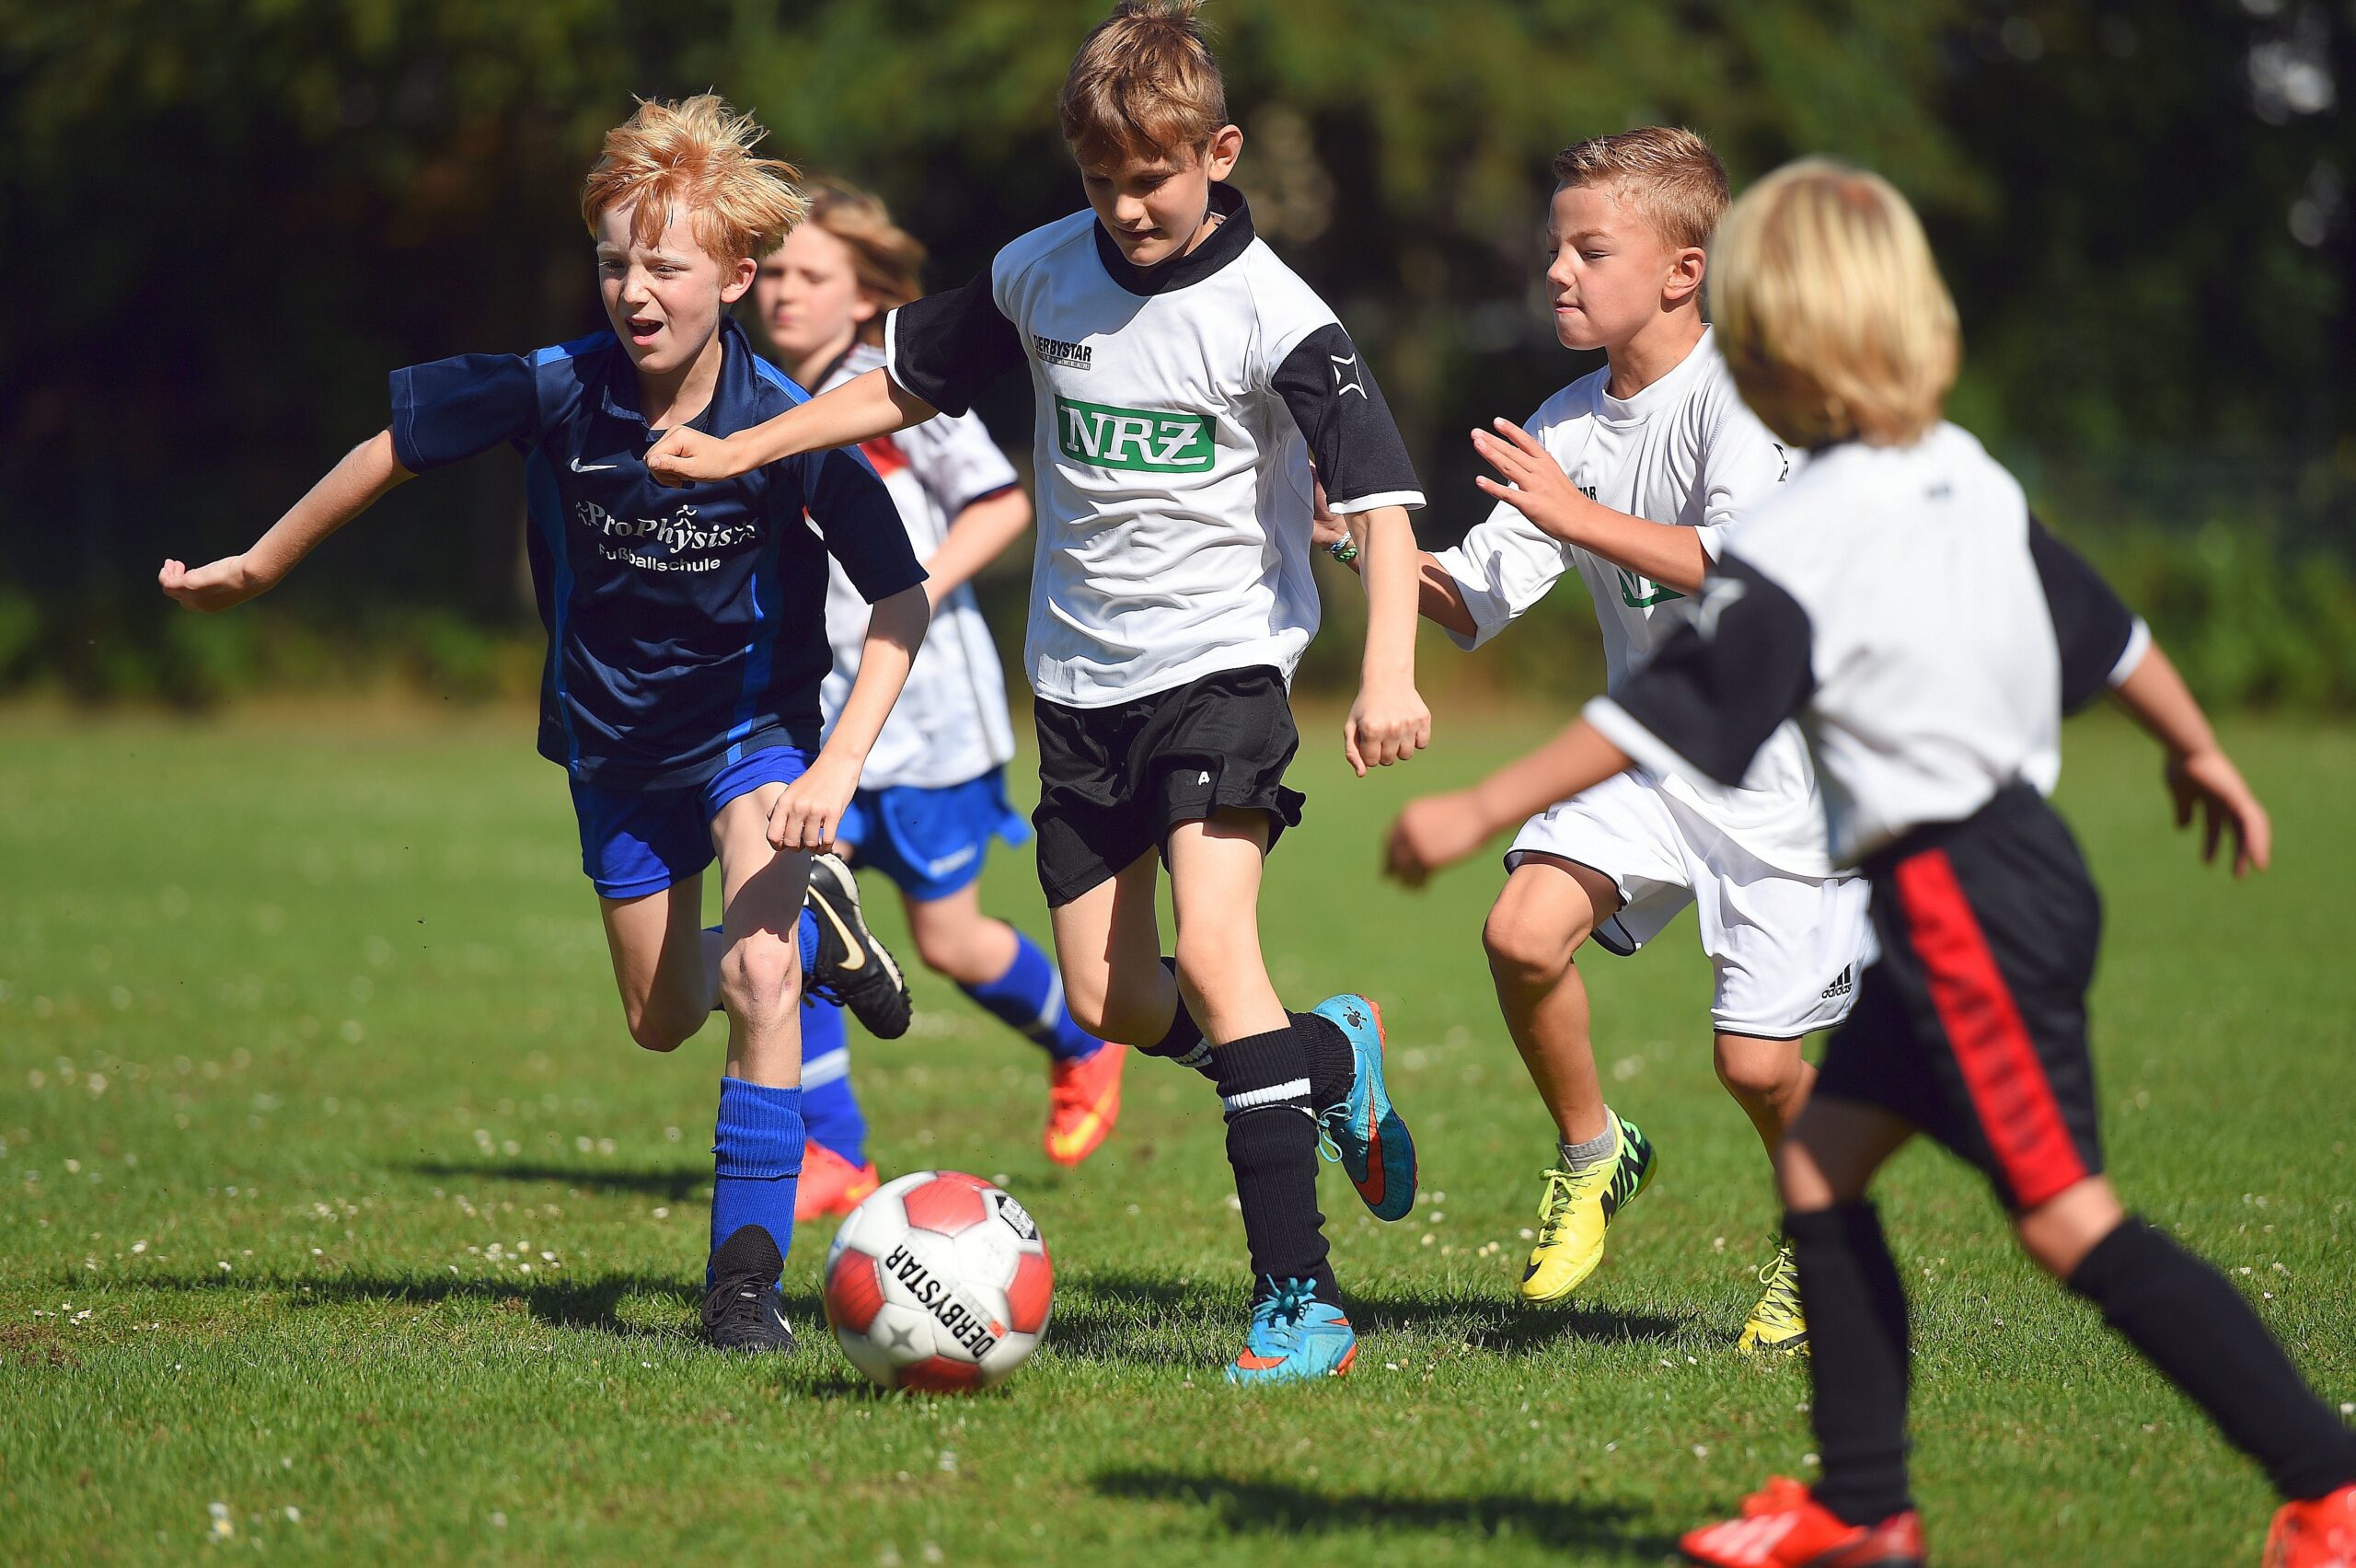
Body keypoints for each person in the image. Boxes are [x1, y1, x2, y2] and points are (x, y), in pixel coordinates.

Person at [1384, 156, 2356, 1568]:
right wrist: (2197, 750)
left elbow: (1683, 707)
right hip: (1986, 885)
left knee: (2068, 1222)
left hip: (1971, 907)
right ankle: (1861, 1508)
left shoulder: (1811, 526)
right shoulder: (1950, 468)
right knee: (1823, 1167)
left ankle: (2328, 1482)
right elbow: (2105, 626)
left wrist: (1480, 811)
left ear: (1764, 335)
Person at [646, 0, 1432, 1382]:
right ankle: (1326, 1059)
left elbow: (1377, 499)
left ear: (1219, 153)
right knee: (1118, 999)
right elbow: (899, 383)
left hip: (1224, 670)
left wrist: (1386, 673)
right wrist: (745, 448)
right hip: (1076, 687)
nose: (1127, 207)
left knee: (1223, 952)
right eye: (1102, 181)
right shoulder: (1036, 274)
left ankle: (1301, 1302)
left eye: (1154, 178)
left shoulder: (1278, 314)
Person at [159, 96, 934, 1355]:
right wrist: (261, 559)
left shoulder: (782, 421)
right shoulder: (559, 388)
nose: (636, 289)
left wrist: (839, 766)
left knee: (757, 974)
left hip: (753, 732)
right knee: (660, 1017)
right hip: (612, 746)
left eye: (665, 266)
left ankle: (744, 1291)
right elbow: (393, 448)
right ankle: (812, 917)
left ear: (737, 278)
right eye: (616, 261)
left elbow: (901, 597)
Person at [1357, 128, 1868, 1352]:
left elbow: (1738, 569)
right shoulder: (1567, 424)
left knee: (1754, 1071)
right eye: (1555, 251)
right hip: (1650, 761)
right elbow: (1476, 602)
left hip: (1787, 783)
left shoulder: (1745, 401)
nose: (1560, 274)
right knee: (1521, 930)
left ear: (1684, 271)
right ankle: (1596, 1155)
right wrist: (1364, 540)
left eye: (1592, 250)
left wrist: (1580, 514)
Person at [744, 182, 1126, 1213]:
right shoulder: (753, 392)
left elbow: (1002, 504)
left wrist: (903, 595)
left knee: (946, 940)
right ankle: (835, 1149)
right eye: (772, 272)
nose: (784, 293)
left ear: (865, 298)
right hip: (808, 708)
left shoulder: (886, 392)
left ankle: (1083, 1042)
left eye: (809, 275)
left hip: (924, 716)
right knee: (797, 908)